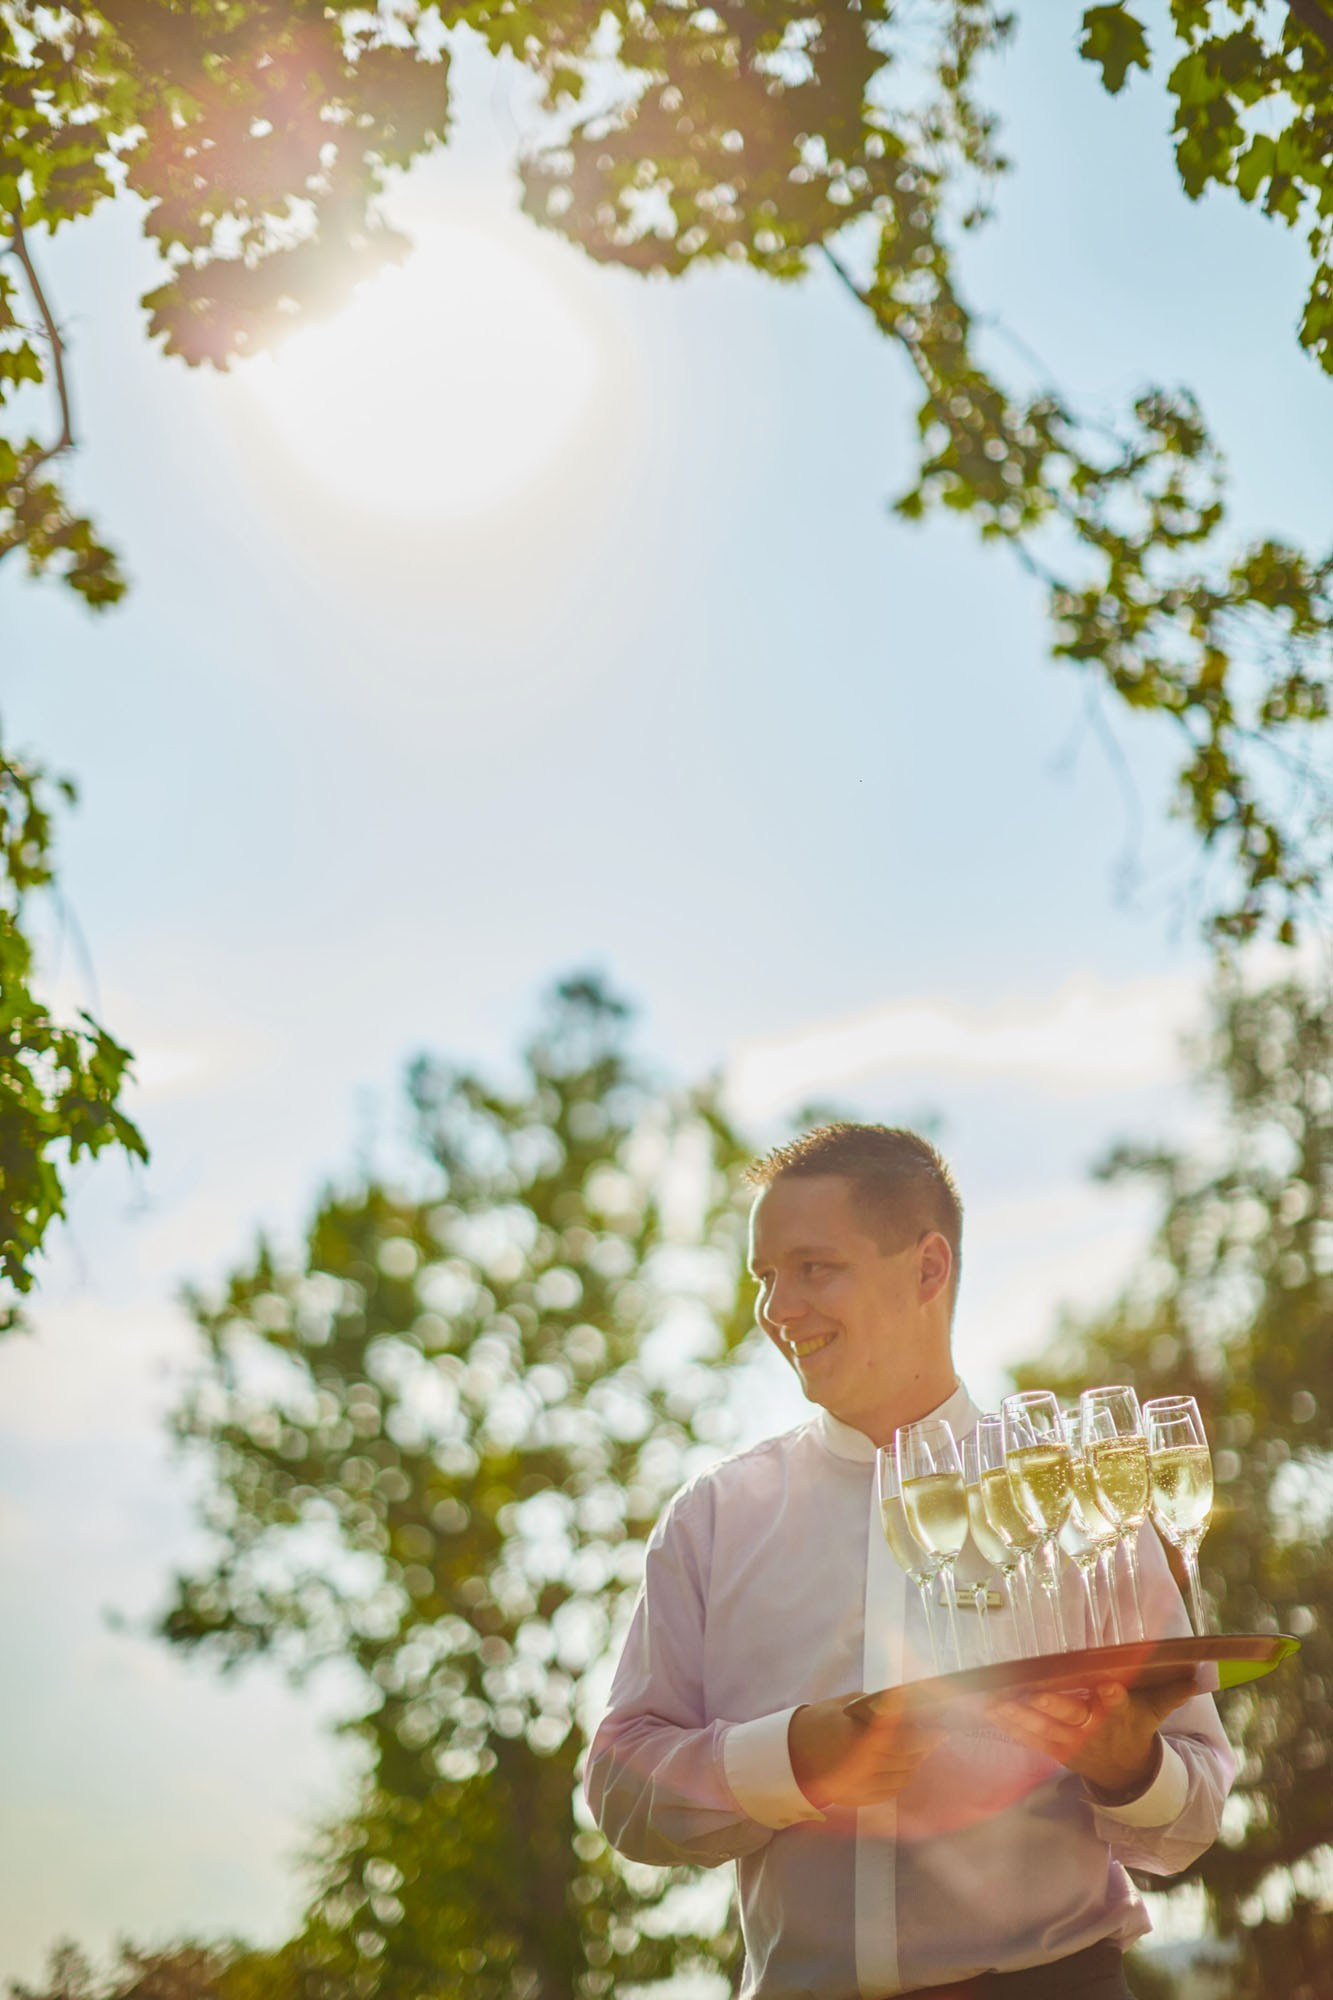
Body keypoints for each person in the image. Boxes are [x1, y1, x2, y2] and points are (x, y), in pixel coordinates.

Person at [584, 1124, 1236, 1999]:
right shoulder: (711, 1520)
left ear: (928, 1269)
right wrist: (791, 1761)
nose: (778, 1308)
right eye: (765, 1277)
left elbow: (1192, 1813)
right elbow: (622, 1793)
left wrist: (1130, 1765)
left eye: (813, 1267)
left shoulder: (1076, 1499)